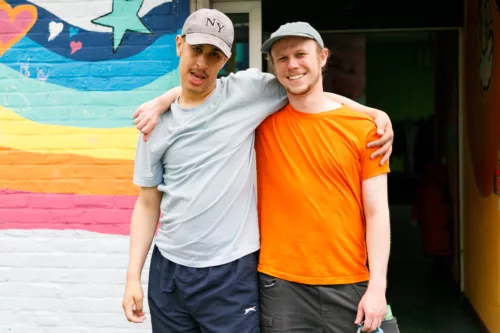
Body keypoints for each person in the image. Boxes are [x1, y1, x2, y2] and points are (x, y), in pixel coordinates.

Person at [126, 9, 394, 333]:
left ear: (225, 60)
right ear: (179, 45)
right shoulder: (154, 125)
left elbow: (307, 90)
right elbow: (146, 203)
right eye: (196, 50)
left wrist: (373, 111)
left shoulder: (247, 94)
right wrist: (132, 278)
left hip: (235, 270)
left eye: (214, 55)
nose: (202, 62)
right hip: (175, 268)